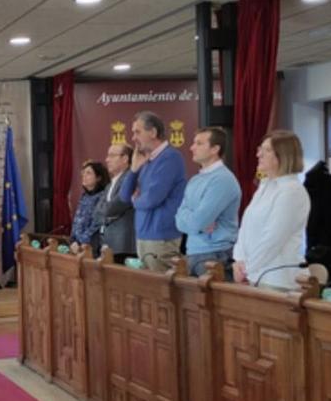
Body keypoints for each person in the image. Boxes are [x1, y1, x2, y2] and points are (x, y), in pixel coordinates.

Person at [233, 130, 311, 289]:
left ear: (282, 156)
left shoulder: (292, 191)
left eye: (266, 150)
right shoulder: (265, 186)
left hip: (277, 279)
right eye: (260, 149)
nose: (259, 155)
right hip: (254, 274)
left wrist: (247, 268)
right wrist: (239, 260)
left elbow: (273, 239)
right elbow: (245, 228)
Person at [119, 111, 187, 272]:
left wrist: (136, 200)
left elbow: (152, 198)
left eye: (137, 132)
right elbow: (124, 197)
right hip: (144, 236)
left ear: (153, 132)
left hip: (161, 237)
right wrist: (134, 170)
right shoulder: (147, 160)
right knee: (150, 292)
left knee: (162, 292)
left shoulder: (170, 157)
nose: (133, 138)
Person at [175, 127, 241, 277]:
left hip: (214, 255)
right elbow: (178, 220)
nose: (192, 148)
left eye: (199, 143)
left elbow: (198, 221)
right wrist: (194, 221)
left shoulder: (222, 180)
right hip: (193, 252)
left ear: (215, 149)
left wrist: (193, 220)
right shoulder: (195, 180)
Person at [94, 143, 135, 263]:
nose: (107, 160)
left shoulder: (130, 179)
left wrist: (107, 213)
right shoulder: (109, 184)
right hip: (107, 243)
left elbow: (112, 208)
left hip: (124, 245)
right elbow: (96, 213)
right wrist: (108, 215)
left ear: (125, 158)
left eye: (112, 156)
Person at [69, 161, 109, 254]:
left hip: (92, 245)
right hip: (77, 245)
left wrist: (82, 242)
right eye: (83, 173)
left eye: (88, 173)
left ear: (98, 178)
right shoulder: (84, 196)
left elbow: (97, 223)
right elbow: (77, 221)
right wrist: (73, 240)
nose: (84, 176)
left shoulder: (102, 196)